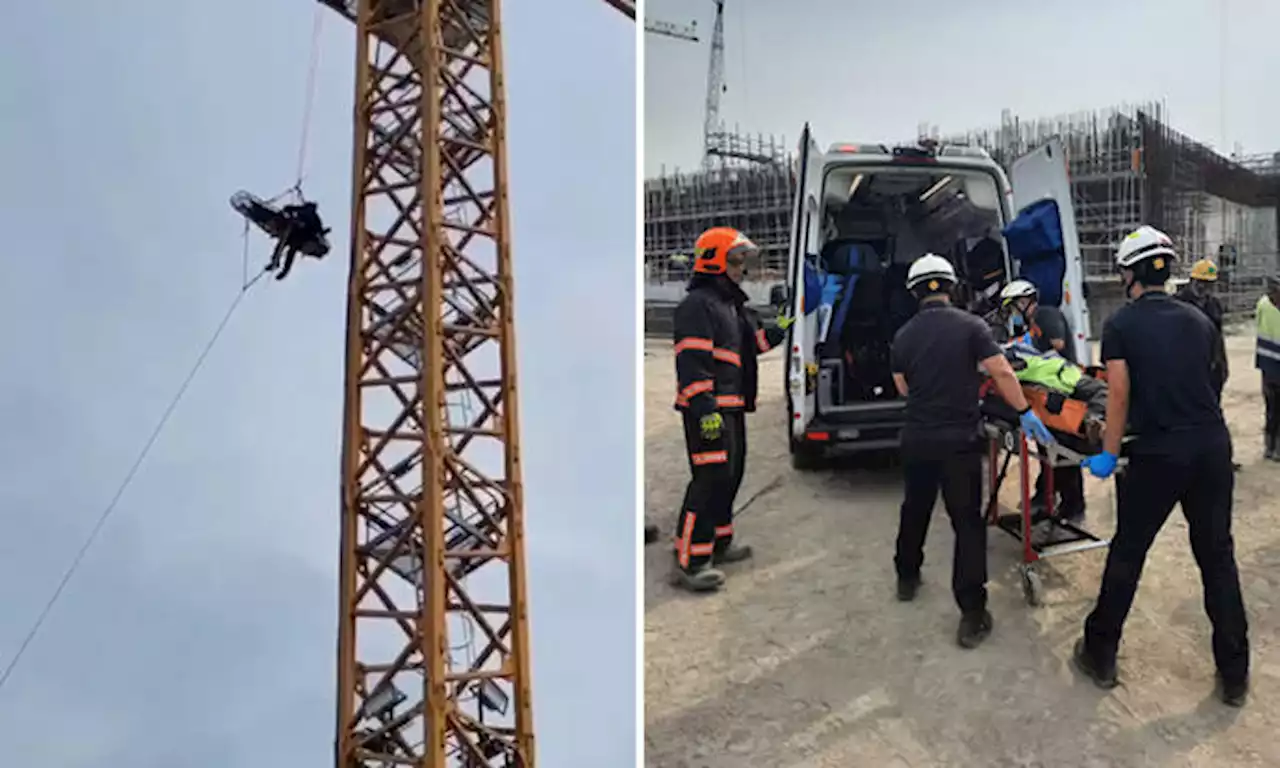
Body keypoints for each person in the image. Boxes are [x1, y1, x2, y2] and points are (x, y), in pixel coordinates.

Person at [1076, 225, 1249, 707]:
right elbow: (1218, 379)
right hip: (1212, 447)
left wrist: (1109, 452)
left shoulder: (1122, 325)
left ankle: (1100, 652)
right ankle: (1234, 675)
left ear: (1129, 273)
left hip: (1157, 454)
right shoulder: (1200, 321)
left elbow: (1118, 395)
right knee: (1217, 558)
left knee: (1129, 552)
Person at [891, 254, 1055, 649]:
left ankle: (907, 577)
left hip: (917, 437)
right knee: (966, 524)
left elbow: (902, 387)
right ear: (951, 287)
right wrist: (1023, 411)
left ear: (915, 292)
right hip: (959, 442)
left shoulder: (903, 336)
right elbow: (1001, 371)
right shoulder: (972, 327)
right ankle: (972, 614)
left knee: (915, 507)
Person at [669, 226, 793, 592]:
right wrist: (704, 409)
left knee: (731, 475)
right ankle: (689, 559)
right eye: (735, 260)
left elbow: (753, 344)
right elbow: (691, 362)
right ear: (714, 262)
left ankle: (719, 542)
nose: (742, 268)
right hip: (708, 411)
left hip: (732, 406)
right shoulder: (697, 306)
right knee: (708, 481)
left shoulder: (731, 306)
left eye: (742, 260)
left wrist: (784, 323)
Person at [1000, 279, 1086, 520]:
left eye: (1012, 307)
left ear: (1024, 301)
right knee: (1050, 449)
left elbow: (1057, 344)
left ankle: (1071, 505)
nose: (1012, 314)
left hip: (1062, 391)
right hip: (1047, 393)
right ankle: (1050, 499)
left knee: (1064, 451)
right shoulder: (1031, 326)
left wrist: (1031, 353)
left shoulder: (1046, 315)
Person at [269, 201, 331, 280]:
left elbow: (291, 254)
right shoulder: (307, 213)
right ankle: (275, 262)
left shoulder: (312, 220)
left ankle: (277, 263)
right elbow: (290, 209)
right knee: (283, 244)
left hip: (300, 236)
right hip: (296, 233)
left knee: (287, 246)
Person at [1258, 275, 1280, 460]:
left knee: (1272, 408)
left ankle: (1272, 446)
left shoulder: (1263, 304)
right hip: (1270, 365)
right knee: (1273, 408)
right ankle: (1272, 446)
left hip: (1267, 363)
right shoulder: (1264, 305)